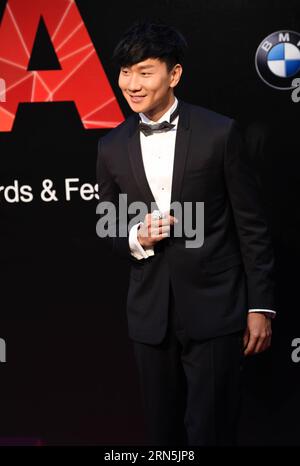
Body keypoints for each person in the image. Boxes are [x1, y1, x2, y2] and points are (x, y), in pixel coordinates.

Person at [96, 21, 275, 446]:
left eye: (144, 71)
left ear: (173, 74)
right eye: (125, 72)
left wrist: (261, 306)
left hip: (216, 309)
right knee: (162, 435)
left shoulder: (219, 132)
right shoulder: (110, 146)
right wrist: (138, 235)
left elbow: (251, 226)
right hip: (150, 314)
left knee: (212, 431)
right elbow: (107, 223)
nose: (132, 84)